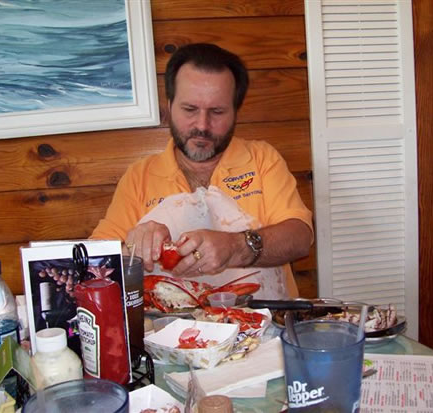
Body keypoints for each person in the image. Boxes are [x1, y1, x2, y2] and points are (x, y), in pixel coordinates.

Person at [91, 43, 313, 298]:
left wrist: (236, 246)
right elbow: (95, 259)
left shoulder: (262, 159)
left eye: (217, 112)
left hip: (267, 318)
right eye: (190, 109)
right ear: (170, 105)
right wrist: (132, 246)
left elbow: (300, 237)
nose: (202, 125)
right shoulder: (139, 177)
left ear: (236, 111)